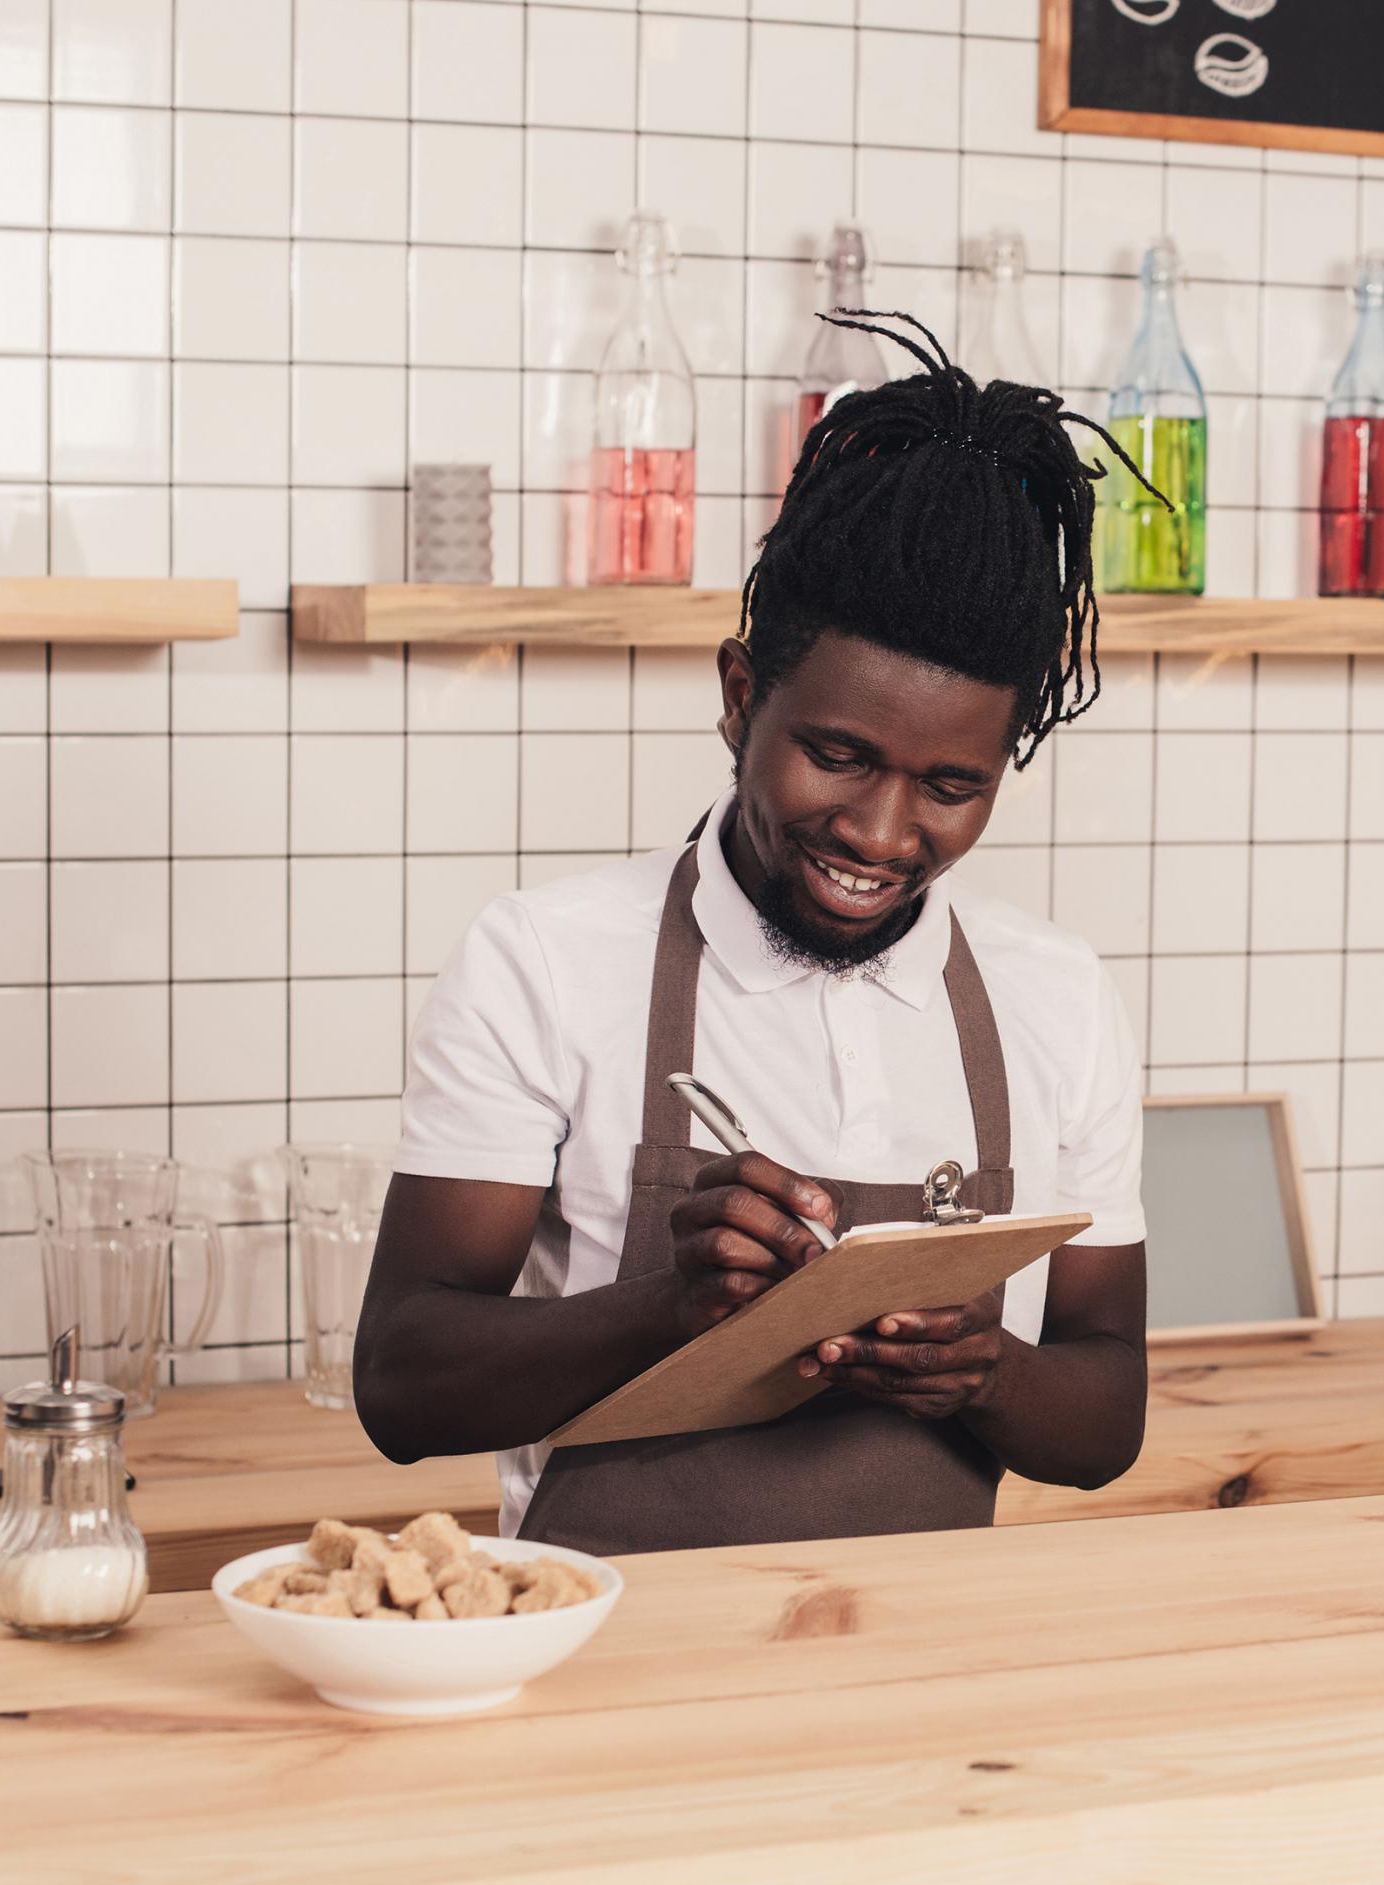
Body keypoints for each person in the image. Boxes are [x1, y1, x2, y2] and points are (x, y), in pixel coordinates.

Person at [353, 317, 1156, 1553]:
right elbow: (402, 1385)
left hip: (930, 1666)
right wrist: (670, 1308)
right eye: (836, 756)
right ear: (740, 698)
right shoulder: (545, 961)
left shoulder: (1055, 997)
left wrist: (983, 1371)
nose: (882, 835)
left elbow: (1102, 1422)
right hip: (616, 1664)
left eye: (950, 787)